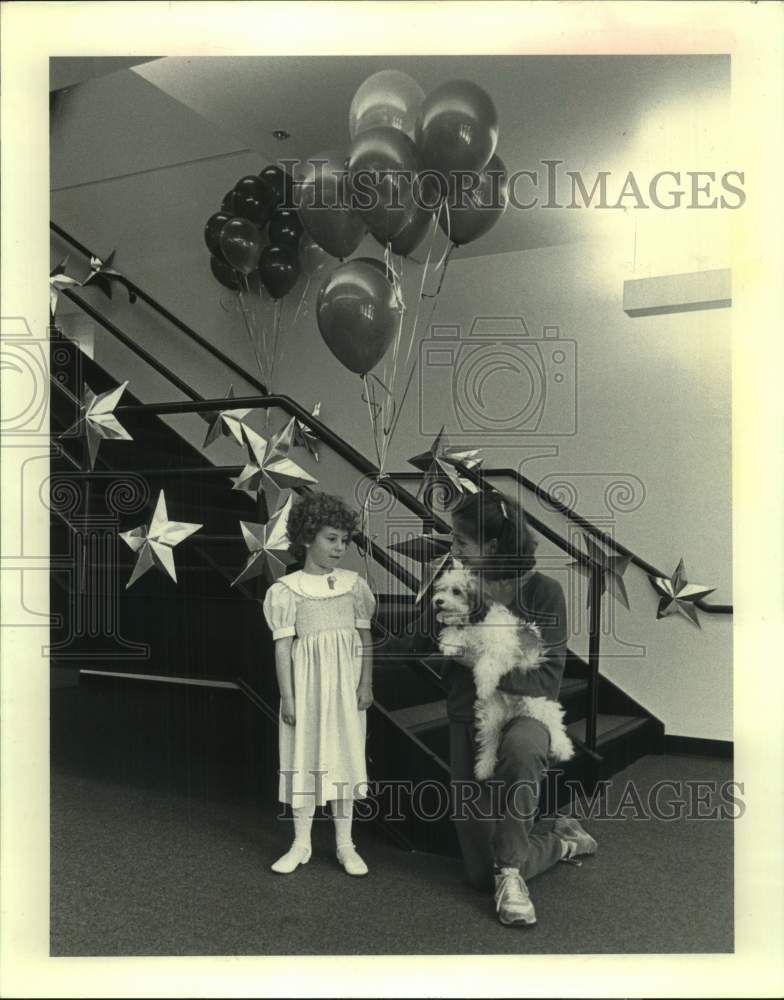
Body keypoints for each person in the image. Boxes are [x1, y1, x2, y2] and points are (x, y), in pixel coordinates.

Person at [436, 490, 597, 925]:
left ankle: (511, 873)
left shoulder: (544, 593)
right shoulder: (455, 583)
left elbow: (545, 680)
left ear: (491, 546)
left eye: (461, 542)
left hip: (527, 713)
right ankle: (562, 841)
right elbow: (420, 643)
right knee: (475, 876)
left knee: (526, 747)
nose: (453, 549)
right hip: (468, 720)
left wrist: (477, 659)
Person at [262, 491, 376, 877]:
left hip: (345, 688)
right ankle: (301, 843)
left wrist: (366, 684)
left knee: (344, 757)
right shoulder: (286, 589)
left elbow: (364, 640)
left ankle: (345, 844)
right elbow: (282, 648)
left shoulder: (354, 585)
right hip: (307, 688)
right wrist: (288, 697)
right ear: (308, 537)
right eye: (332, 539)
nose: (340, 547)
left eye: (345, 540)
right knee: (304, 758)